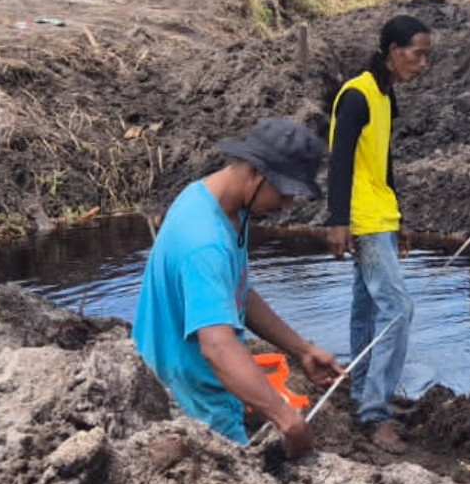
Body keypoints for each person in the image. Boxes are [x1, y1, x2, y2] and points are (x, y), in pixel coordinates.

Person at [134, 119, 345, 459]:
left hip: (194, 382)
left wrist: (302, 349)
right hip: (193, 403)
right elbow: (218, 347)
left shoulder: (214, 202)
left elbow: (235, 292)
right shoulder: (205, 242)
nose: (288, 205)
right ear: (256, 173)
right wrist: (286, 419)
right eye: (285, 192)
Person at [327, 15, 433, 452]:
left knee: (366, 310)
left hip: (380, 214)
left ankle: (362, 394)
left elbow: (382, 162)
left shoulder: (385, 96)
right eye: (417, 55)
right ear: (392, 51)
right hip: (363, 218)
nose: (423, 64)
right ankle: (375, 412)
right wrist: (337, 221)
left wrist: (399, 216)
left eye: (427, 56)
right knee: (397, 310)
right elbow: (339, 161)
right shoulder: (357, 95)